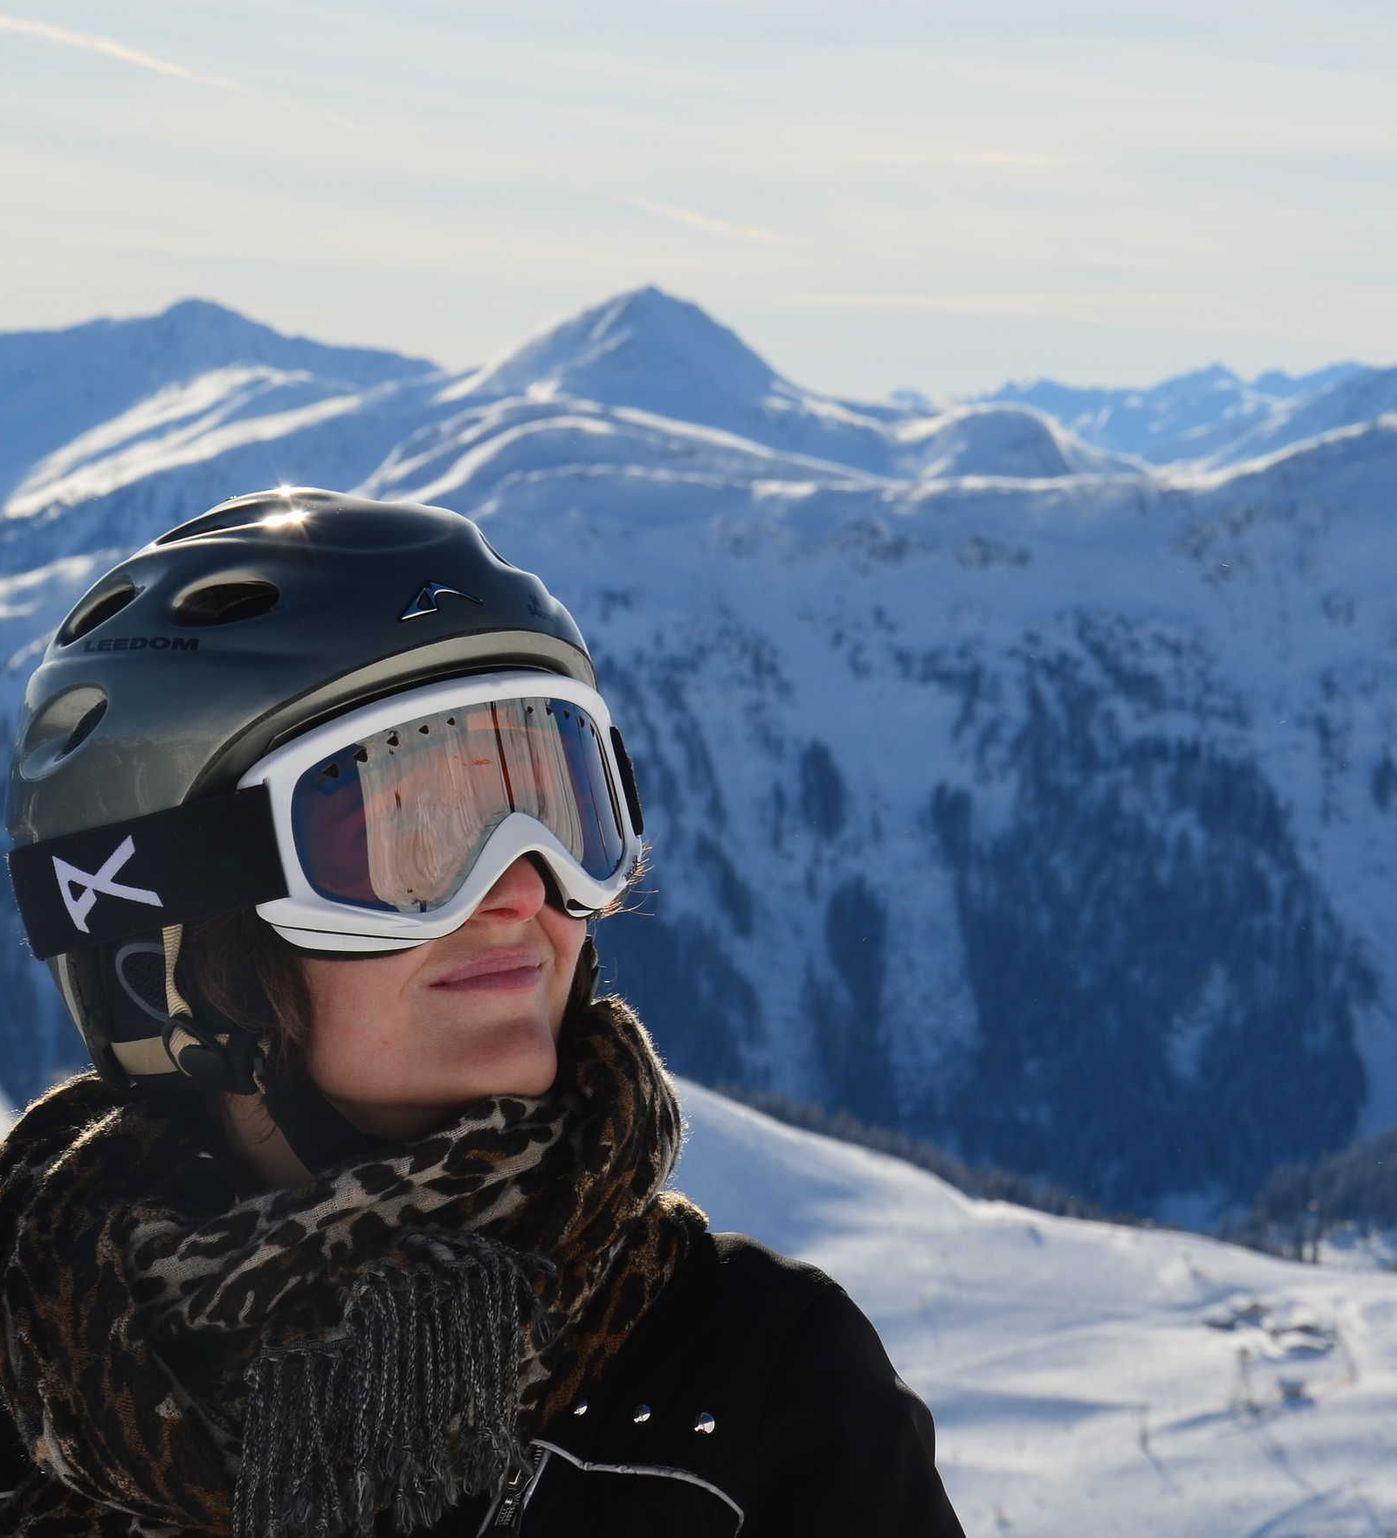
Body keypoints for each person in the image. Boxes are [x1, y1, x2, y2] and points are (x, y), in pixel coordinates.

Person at [0, 488, 967, 1536]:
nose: (519, 890)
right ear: (171, 949)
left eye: (555, 808)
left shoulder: (763, 1387)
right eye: (410, 837)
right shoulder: (25, 1367)